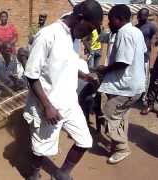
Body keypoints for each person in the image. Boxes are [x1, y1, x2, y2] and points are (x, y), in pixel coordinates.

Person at [23, 0, 103, 179]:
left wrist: (85, 76)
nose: (89, 34)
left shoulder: (73, 36)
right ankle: (34, 174)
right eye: (89, 29)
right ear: (80, 18)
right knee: (41, 148)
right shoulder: (48, 35)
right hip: (48, 106)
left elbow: (64, 66)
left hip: (69, 102)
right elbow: (31, 75)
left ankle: (62, 173)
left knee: (84, 140)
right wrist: (47, 106)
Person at [97, 4, 147, 164]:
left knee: (111, 112)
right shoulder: (136, 32)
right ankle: (116, 144)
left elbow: (123, 62)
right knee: (121, 115)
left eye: (110, 20)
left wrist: (104, 69)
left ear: (119, 19)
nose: (109, 23)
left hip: (125, 86)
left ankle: (122, 147)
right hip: (133, 84)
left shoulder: (124, 34)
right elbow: (143, 51)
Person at [136, 8, 158, 104]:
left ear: (147, 16)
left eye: (143, 15)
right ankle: (136, 94)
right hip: (136, 56)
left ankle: (144, 96)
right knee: (137, 76)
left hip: (145, 56)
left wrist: (153, 43)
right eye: (140, 15)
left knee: (145, 77)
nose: (141, 17)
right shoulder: (136, 27)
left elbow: (156, 36)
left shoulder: (151, 26)